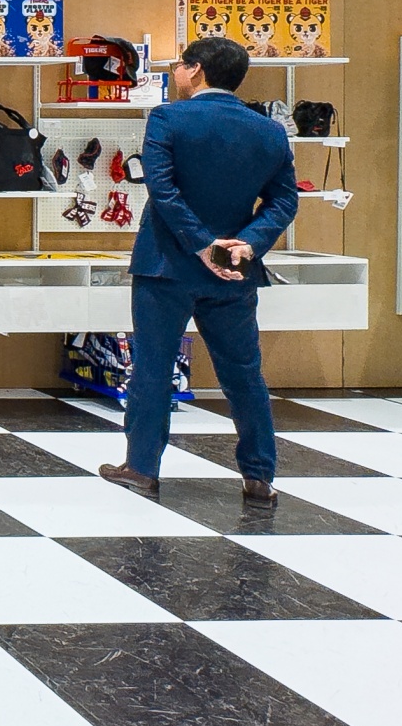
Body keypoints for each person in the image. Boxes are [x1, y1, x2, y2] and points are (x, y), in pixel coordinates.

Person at [102, 35, 298, 510]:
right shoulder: (269, 131)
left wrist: (201, 244)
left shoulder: (168, 118)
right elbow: (284, 200)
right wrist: (247, 243)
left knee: (153, 369)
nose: (175, 72)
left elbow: (163, 191)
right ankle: (259, 476)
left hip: (166, 265)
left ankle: (142, 468)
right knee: (244, 374)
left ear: (196, 70)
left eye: (179, 65)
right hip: (234, 270)